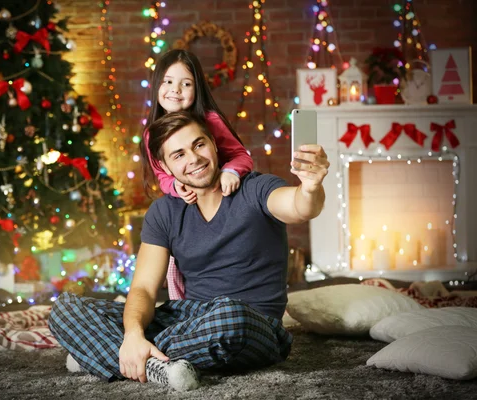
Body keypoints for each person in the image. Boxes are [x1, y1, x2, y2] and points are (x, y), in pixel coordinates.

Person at [49, 111, 330, 392]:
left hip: (251, 324)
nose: (193, 159)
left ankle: (112, 355)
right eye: (178, 154)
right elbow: (144, 290)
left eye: (198, 145)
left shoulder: (257, 188)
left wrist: (310, 187)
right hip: (190, 318)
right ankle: (151, 360)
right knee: (65, 309)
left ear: (214, 143)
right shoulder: (164, 211)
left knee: (231, 316)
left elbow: (300, 207)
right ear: (165, 166)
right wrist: (133, 334)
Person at [140, 49, 254, 299]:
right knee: (179, 270)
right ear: (157, 85)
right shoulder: (152, 134)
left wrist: (230, 171)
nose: (175, 90)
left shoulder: (210, 121)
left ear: (197, 88)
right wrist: (174, 187)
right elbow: (162, 176)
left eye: (186, 83)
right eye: (168, 81)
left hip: (220, 202)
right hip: (186, 208)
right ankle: (185, 309)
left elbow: (242, 156)